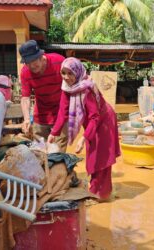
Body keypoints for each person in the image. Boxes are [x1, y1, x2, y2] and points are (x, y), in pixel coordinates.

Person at [48, 57, 120, 201]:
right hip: (92, 123)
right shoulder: (66, 88)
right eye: (63, 73)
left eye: (70, 73)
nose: (66, 77)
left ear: (78, 72)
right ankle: (96, 191)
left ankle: (100, 195)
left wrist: (84, 137)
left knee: (101, 158)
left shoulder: (87, 89)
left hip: (104, 121)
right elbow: (62, 113)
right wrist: (53, 133)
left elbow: (95, 117)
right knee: (93, 157)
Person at [19, 40, 68, 152]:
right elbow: (25, 97)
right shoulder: (25, 72)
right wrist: (26, 119)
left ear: (41, 56)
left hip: (61, 116)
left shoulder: (59, 62)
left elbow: (72, 84)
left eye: (34, 61)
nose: (31, 65)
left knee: (57, 154)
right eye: (27, 62)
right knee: (40, 153)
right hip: (40, 119)